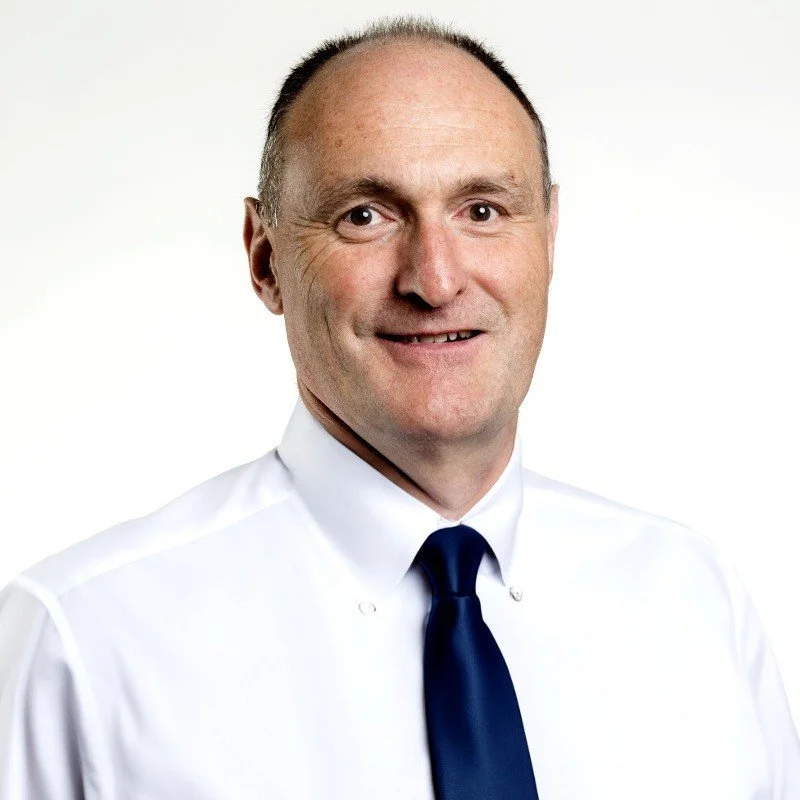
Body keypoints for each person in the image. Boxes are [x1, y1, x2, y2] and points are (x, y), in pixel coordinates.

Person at [1, 15, 798, 800]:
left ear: (548, 238)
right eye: (365, 216)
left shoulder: (695, 600)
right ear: (265, 257)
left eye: (482, 210)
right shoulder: (80, 643)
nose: (435, 278)